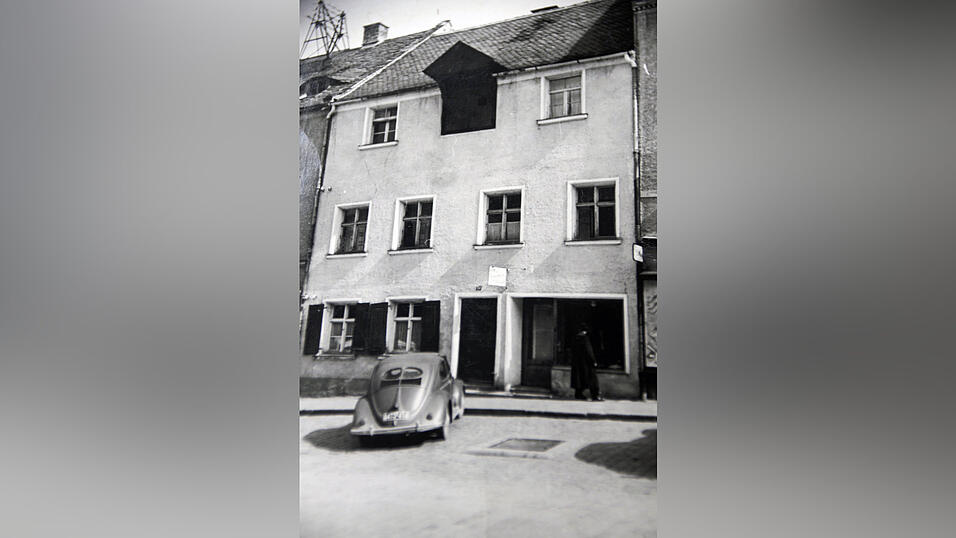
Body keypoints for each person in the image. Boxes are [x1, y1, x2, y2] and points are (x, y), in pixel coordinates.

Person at [570, 322, 603, 401]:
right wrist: (593, 361)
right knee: (592, 379)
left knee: (579, 379)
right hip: (586, 363)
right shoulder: (585, 339)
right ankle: (595, 396)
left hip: (577, 363)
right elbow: (589, 351)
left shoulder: (575, 339)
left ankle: (578, 394)